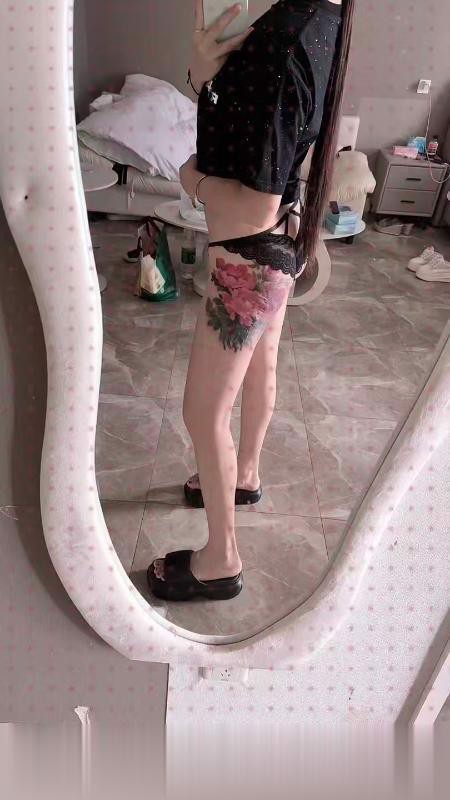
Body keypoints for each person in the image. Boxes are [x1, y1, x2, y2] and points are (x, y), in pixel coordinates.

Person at [147, 0, 354, 602]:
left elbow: (252, 197)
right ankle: (245, 474)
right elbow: (261, 143)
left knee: (203, 413)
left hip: (248, 255)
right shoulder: (326, 19)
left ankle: (220, 560)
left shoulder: (281, 40)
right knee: (262, 368)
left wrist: (191, 180)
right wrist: (206, 78)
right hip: (282, 240)